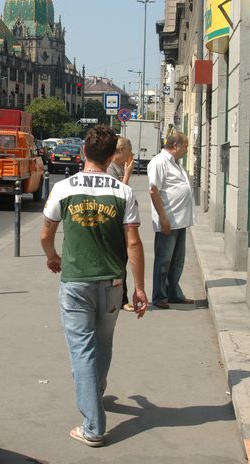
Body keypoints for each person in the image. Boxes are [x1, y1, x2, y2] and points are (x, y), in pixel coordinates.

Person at [40, 125, 148, 448]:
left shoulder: (64, 187)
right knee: (102, 343)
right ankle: (95, 391)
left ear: (84, 153)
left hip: (76, 281)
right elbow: (134, 243)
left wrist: (52, 256)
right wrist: (139, 288)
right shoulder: (122, 192)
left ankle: (93, 426)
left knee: (82, 351)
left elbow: (46, 234)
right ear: (112, 155)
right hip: (113, 282)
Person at [147, 131, 195, 309]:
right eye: (185, 146)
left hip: (179, 220)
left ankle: (174, 293)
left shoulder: (175, 163)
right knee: (164, 260)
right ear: (176, 146)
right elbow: (153, 190)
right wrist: (163, 218)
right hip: (168, 220)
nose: (186, 150)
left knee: (177, 260)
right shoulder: (159, 162)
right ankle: (159, 296)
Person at [107, 137, 135, 312]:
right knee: (118, 263)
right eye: (129, 151)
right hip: (114, 224)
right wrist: (127, 174)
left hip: (120, 222)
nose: (131, 155)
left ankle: (120, 298)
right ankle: (120, 300)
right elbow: (117, 196)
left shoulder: (117, 167)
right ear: (121, 151)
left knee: (121, 262)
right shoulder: (111, 169)